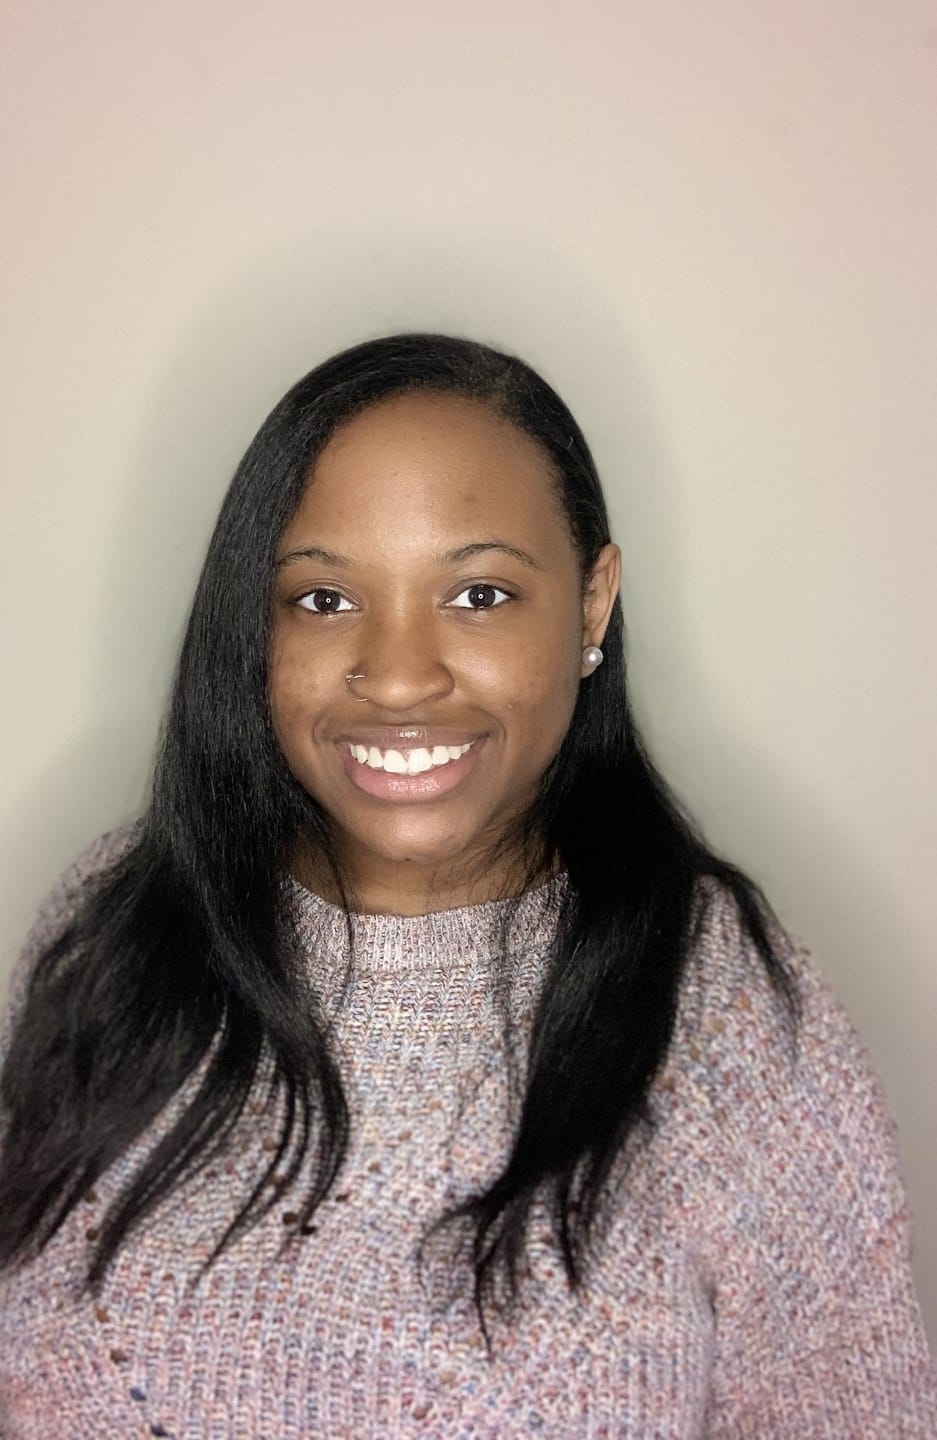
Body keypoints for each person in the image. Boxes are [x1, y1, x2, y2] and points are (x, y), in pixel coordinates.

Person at [0, 333, 933, 1438]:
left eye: (480, 593)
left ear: (591, 606)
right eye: (322, 599)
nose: (398, 677)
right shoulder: (121, 925)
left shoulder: (722, 1009)